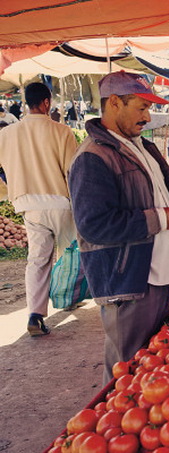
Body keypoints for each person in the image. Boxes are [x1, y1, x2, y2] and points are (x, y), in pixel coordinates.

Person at [68, 71, 169, 382]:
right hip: (128, 281)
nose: (147, 117)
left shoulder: (143, 145)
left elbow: (155, 194)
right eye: (141, 108)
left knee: (152, 364)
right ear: (114, 103)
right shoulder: (92, 157)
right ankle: (110, 428)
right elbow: (94, 225)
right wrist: (163, 218)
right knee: (126, 369)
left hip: (157, 273)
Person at [0, 83, 79, 336]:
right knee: (74, 254)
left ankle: (35, 314)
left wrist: (6, 192)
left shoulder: (6, 134)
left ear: (26, 103)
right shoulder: (62, 131)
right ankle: (71, 298)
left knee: (37, 260)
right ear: (46, 103)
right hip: (60, 202)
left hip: (28, 205)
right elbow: (73, 172)